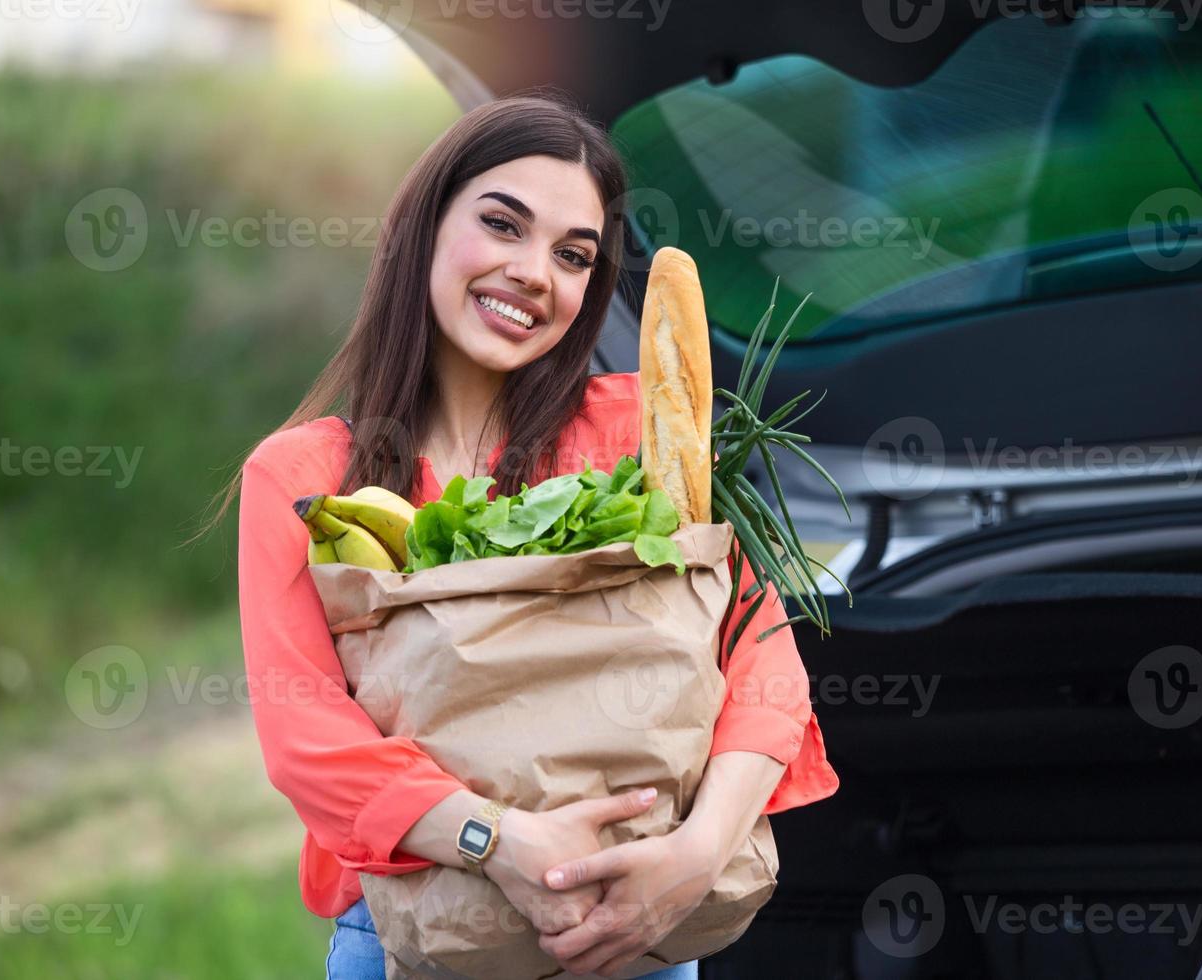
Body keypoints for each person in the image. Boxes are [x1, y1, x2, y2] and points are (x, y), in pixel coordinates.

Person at [210, 90, 839, 979]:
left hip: (634, 933)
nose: (535, 273)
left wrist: (694, 859)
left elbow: (761, 666)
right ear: (423, 227)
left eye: (573, 254)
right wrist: (496, 841)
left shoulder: (642, 436)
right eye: (503, 225)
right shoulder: (308, 479)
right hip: (422, 937)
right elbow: (307, 736)